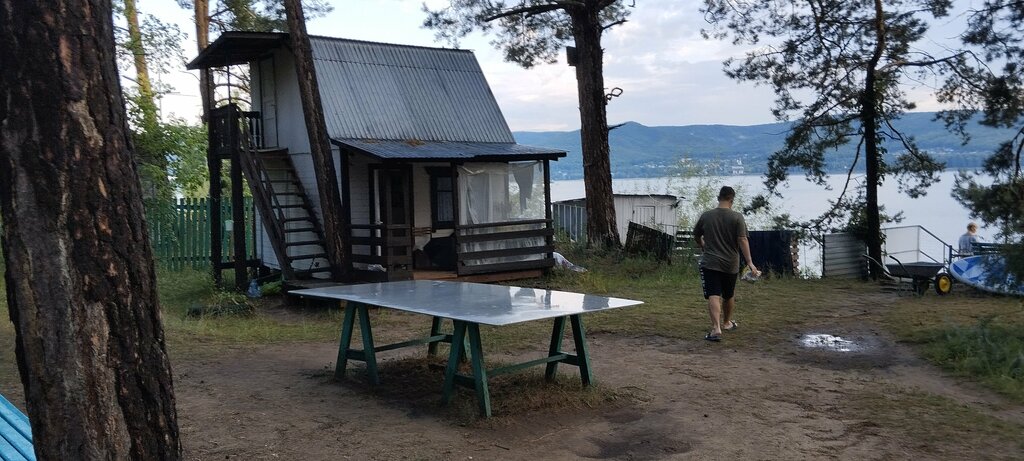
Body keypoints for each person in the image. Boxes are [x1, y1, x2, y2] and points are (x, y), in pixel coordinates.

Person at [693, 186, 761, 342]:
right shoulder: (737, 217)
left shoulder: (707, 216)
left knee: (713, 294)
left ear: (719, 198)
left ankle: (716, 328)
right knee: (728, 295)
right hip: (731, 263)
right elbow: (742, 239)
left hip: (710, 262)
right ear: (732, 199)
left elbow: (696, 234)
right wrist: (750, 262)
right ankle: (727, 323)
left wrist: (703, 245)